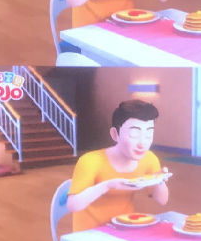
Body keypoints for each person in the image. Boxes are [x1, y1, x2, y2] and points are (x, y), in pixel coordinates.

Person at [67, 99, 171, 231]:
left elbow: (162, 201)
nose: (142, 143)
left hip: (125, 228)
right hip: (88, 234)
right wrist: (107, 185)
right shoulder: (90, 161)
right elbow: (72, 205)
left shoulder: (149, 159)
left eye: (148, 134)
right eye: (134, 134)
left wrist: (160, 181)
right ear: (115, 134)